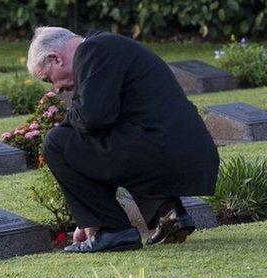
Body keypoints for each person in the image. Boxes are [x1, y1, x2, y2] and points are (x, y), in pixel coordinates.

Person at [28, 27, 219, 253]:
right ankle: (168, 212)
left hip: (163, 150)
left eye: (49, 79)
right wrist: (86, 217)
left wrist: (94, 219)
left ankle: (112, 231)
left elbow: (92, 118)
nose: (57, 88)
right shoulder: (107, 46)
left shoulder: (93, 50)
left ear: (55, 58)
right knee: (114, 137)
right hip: (185, 151)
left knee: (56, 143)